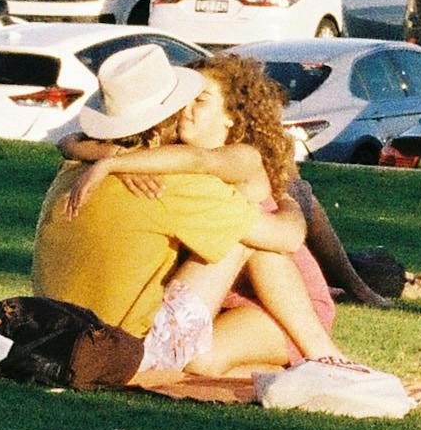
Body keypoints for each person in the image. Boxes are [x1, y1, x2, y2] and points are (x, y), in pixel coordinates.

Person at [33, 48, 368, 379]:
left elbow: (284, 235)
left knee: (243, 232)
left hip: (66, 337)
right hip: (128, 348)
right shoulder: (171, 182)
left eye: (198, 100)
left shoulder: (72, 171)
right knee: (242, 240)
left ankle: (323, 355)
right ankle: (320, 360)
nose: (186, 112)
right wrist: (115, 159)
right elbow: (281, 233)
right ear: (161, 122)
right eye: (181, 104)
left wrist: (111, 157)